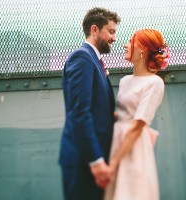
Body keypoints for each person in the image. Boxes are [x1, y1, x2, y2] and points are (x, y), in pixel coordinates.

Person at [59, 7, 121, 200]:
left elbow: (97, 109)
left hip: (93, 157)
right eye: (111, 32)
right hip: (84, 161)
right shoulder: (82, 57)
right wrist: (95, 161)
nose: (114, 38)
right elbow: (80, 112)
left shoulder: (94, 59)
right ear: (94, 29)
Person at [104, 29, 171, 200]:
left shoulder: (154, 83)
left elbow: (138, 125)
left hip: (133, 149)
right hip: (116, 142)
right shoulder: (125, 81)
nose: (125, 45)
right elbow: (121, 115)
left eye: (130, 41)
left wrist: (113, 164)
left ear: (143, 49)